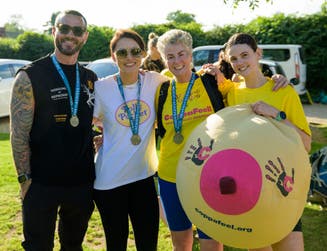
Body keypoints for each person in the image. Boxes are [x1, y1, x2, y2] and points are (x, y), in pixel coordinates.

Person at [10, 10, 97, 251]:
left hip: (81, 183)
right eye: (64, 28)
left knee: (73, 246)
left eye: (77, 31)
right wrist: (24, 179)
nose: (70, 35)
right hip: (41, 183)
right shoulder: (31, 75)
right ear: (54, 31)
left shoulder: (90, 77)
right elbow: (18, 134)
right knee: (38, 247)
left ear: (85, 36)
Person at [219, 33, 311, 251]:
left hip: (283, 186)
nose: (240, 63)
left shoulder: (283, 90)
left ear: (258, 53)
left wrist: (275, 114)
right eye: (234, 59)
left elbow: (306, 143)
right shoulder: (230, 93)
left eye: (245, 55)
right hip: (249, 190)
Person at [92, 29, 169, 251]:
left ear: (144, 54)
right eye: (122, 52)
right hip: (109, 181)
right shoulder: (101, 87)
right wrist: (100, 136)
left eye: (135, 51)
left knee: (148, 244)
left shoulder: (156, 81)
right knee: (116, 245)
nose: (129, 57)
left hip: (143, 177)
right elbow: (89, 122)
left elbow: (186, 82)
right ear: (113, 57)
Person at [156, 28, 225, 251]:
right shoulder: (162, 90)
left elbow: (245, 91)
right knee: (181, 241)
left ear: (191, 55)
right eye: (170, 56)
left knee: (212, 240)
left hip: (209, 172)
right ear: (164, 60)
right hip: (170, 174)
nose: (177, 61)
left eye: (182, 53)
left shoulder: (211, 82)